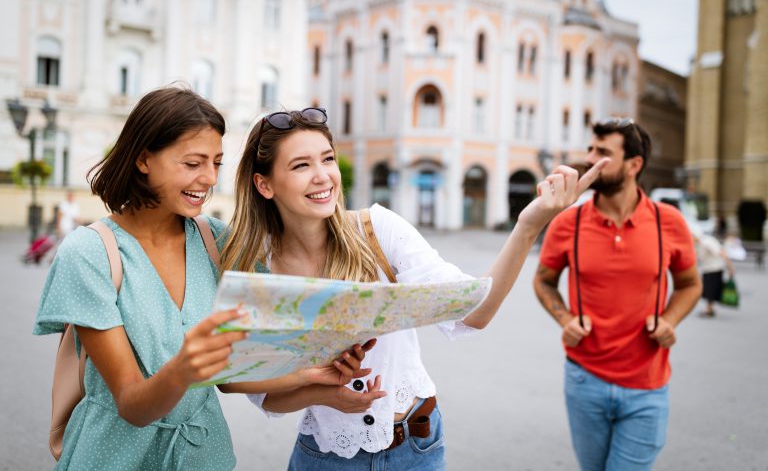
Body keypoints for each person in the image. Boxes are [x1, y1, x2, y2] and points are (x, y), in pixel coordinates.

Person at [218, 107, 608, 470]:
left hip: (415, 449)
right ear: (264, 184)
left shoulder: (377, 230)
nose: (323, 176)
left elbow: (474, 313)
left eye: (328, 158)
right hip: (324, 455)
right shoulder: (258, 268)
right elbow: (257, 389)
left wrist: (528, 225)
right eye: (301, 165)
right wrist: (323, 391)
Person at [33, 87, 375, 470]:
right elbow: (132, 405)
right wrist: (184, 369)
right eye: (193, 163)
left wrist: (311, 378)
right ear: (144, 159)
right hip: (112, 456)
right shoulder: (88, 253)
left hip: (203, 456)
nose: (209, 178)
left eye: (217, 163)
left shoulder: (216, 241)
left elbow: (229, 377)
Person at [533, 117, 702, 471]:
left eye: (603, 152)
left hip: (647, 385)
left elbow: (690, 283)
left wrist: (670, 320)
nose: (590, 158)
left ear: (633, 165)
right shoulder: (567, 223)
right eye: (590, 149)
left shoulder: (669, 222)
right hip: (584, 381)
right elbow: (544, 280)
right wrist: (565, 319)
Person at [694, 230, 736, 317]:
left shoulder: (707, 242)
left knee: (711, 290)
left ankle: (709, 309)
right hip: (707, 269)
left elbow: (722, 253)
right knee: (707, 289)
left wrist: (730, 268)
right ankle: (709, 308)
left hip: (715, 268)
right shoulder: (697, 244)